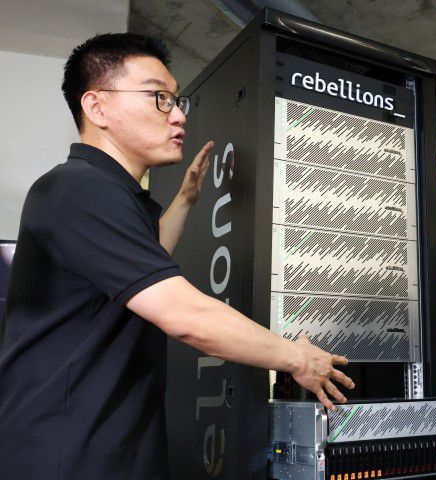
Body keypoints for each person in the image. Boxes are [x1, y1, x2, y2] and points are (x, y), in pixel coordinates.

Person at [0, 33, 353, 479]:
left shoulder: (110, 195)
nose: (179, 114)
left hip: (113, 451)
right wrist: (297, 357)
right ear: (97, 107)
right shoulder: (79, 189)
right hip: (68, 457)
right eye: (159, 98)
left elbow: (139, 271)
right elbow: (183, 314)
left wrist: (185, 200)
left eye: (176, 100)